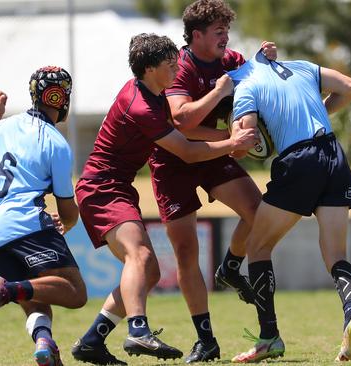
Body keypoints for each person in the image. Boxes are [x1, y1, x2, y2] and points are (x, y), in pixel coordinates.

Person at [70, 33, 257, 366]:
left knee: (149, 271)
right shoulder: (141, 104)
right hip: (102, 188)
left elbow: (188, 129)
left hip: (115, 187)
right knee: (139, 256)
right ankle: (138, 330)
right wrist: (232, 142)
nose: (176, 69)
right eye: (170, 65)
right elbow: (186, 150)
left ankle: (91, 342)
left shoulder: (153, 97)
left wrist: (230, 135)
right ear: (149, 68)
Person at [154, 0, 277, 362]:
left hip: (212, 152)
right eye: (218, 31)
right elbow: (181, 120)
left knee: (258, 213)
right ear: (197, 36)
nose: (226, 36)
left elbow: (258, 82)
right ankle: (205, 340)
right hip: (173, 159)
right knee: (187, 253)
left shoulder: (232, 61)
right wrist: (222, 98)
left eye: (227, 29)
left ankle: (231, 266)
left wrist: (264, 59)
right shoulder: (179, 65)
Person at [225, 50, 351, 362]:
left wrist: (238, 142)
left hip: (300, 160)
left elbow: (245, 138)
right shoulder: (299, 66)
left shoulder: (244, 83)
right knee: (336, 255)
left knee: (257, 246)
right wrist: (318, 113)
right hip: (333, 154)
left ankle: (269, 336)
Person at [0, 66, 87, 366]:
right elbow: (67, 210)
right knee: (75, 293)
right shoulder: (56, 143)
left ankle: (44, 343)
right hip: (26, 224)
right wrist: (65, 223)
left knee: (35, 295)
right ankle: (5, 287)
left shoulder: (4, 127)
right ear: (62, 98)